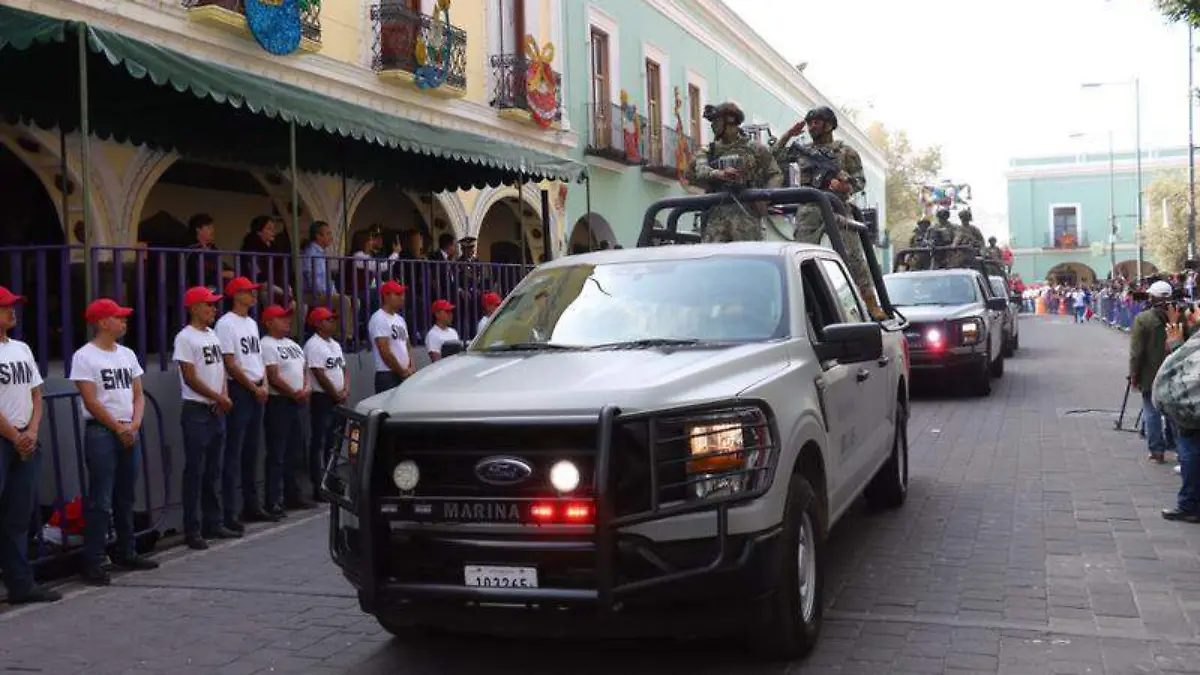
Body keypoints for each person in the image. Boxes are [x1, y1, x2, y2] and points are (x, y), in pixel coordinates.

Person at [71, 299, 160, 585]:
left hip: (127, 430)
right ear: (102, 322)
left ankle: (127, 550)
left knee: (125, 495)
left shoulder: (127, 354)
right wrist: (118, 427)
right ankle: (94, 560)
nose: (124, 322)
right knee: (101, 499)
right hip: (102, 432)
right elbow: (90, 399)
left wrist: (133, 424)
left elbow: (138, 393)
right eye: (118, 317)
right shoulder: (85, 356)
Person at [775, 107, 881, 319]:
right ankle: (803, 306)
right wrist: (789, 134)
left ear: (829, 124)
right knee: (800, 256)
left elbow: (860, 181)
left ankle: (871, 304)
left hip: (837, 206)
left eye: (817, 122)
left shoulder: (845, 152)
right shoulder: (802, 150)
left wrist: (844, 186)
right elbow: (774, 155)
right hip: (810, 207)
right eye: (810, 122)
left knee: (853, 256)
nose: (812, 126)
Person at [0, 287, 60, 604]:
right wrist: (15, 436)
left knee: (18, 515)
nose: (13, 311)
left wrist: (32, 431)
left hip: (25, 437)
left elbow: (36, 393)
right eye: (6, 307)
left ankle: (20, 584)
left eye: (13, 306)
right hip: (8, 438)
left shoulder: (21, 348)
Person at [174, 286, 238, 550]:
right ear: (194, 308)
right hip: (197, 409)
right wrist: (217, 397)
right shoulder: (185, 338)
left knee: (213, 469)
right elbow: (189, 375)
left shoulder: (212, 334)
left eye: (214, 305)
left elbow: (221, 369)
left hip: (215, 409)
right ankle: (193, 528)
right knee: (196, 471)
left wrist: (222, 395)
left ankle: (214, 521)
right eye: (208, 305)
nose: (213, 309)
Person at [215, 277, 276, 529]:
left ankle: (252, 504)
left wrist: (264, 384)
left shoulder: (251, 323)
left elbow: (257, 356)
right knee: (235, 450)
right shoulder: (225, 324)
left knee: (251, 450)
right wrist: (253, 386)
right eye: (248, 291)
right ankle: (231, 511)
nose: (253, 295)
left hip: (256, 386)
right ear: (235, 294)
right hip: (241, 389)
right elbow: (229, 361)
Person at [687, 101, 782, 242]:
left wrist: (764, 199)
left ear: (729, 121)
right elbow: (694, 174)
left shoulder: (755, 149)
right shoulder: (709, 151)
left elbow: (775, 174)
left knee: (747, 261)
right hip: (716, 218)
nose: (713, 125)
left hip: (747, 218)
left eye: (716, 121)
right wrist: (717, 176)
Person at [259, 305, 315, 515]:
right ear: (269, 322)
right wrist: (294, 392)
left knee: (297, 450)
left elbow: (305, 370)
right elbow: (272, 376)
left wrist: (307, 387)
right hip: (279, 402)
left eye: (287, 318)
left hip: (298, 401)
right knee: (277, 452)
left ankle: (295, 494)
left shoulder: (293, 344)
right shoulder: (267, 344)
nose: (287, 322)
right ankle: (274, 499)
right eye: (281, 319)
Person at [1130, 280, 1183, 464]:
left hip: (1150, 373)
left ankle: (1157, 451)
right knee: (1174, 413)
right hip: (1176, 373)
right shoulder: (1179, 316)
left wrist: (1134, 375)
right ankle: (1177, 447)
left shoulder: (1143, 319)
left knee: (1151, 411)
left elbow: (1136, 352)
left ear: (1151, 297)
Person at [304, 307, 349, 501]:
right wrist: (335, 393)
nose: (332, 322)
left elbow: (344, 369)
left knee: (334, 442)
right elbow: (318, 373)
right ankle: (319, 485)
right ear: (318, 323)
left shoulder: (335, 344)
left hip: (338, 397)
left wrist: (345, 389)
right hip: (322, 397)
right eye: (328, 320)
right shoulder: (313, 344)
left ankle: (331, 481)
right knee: (320, 441)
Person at [370, 280, 414, 394]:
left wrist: (411, 368)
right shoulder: (379, 318)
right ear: (386, 296)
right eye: (398, 294)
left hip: (404, 373)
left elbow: (408, 347)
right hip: (388, 375)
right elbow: (385, 352)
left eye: (402, 294)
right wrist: (402, 371)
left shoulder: (400, 319)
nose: (402, 298)